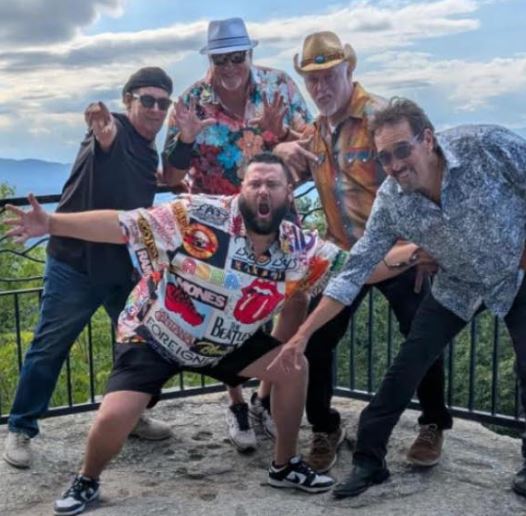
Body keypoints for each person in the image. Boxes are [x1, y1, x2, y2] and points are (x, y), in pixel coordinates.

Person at [5, 153, 342, 515]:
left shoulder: (297, 245)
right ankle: (87, 479)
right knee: (113, 417)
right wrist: (51, 223)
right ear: (241, 188)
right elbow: (124, 225)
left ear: (288, 192)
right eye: (255, 183)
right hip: (156, 335)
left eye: (272, 184)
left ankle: (285, 465)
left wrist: (395, 249)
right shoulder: (197, 214)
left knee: (294, 367)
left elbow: (353, 268)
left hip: (226, 341)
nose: (263, 190)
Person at [275, 97, 526, 499]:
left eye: (402, 150)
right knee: (407, 365)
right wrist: (302, 334)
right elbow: (354, 270)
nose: (394, 165)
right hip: (457, 285)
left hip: (516, 275)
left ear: (427, 139)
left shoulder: (484, 146)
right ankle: (369, 462)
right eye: (385, 157)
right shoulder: (392, 200)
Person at [273, 31, 450, 473]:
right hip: (344, 258)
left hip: (399, 252)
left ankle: (432, 423)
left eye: (329, 76)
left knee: (422, 334)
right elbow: (287, 169)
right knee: (317, 339)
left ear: (349, 70)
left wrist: (429, 243)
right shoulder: (316, 132)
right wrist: (280, 146)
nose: (320, 88)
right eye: (312, 80)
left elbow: (423, 175)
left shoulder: (378, 118)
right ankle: (324, 427)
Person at [3, 67, 177, 470]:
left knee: (137, 344)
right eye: (147, 100)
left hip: (122, 266)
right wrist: (102, 127)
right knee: (50, 346)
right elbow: (106, 137)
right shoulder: (113, 130)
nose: (156, 109)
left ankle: (130, 416)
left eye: (163, 102)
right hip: (75, 264)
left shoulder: (148, 148)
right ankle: (21, 427)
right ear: (127, 101)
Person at [163, 17, 313, 452]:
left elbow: (310, 154)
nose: (229, 67)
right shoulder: (192, 101)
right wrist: (185, 139)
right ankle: (236, 403)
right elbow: (170, 175)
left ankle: (265, 395)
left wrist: (280, 136)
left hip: (276, 217)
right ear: (210, 59)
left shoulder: (279, 87)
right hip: (219, 226)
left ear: (249, 54)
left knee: (296, 298)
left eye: (237, 57)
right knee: (226, 311)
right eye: (221, 59)